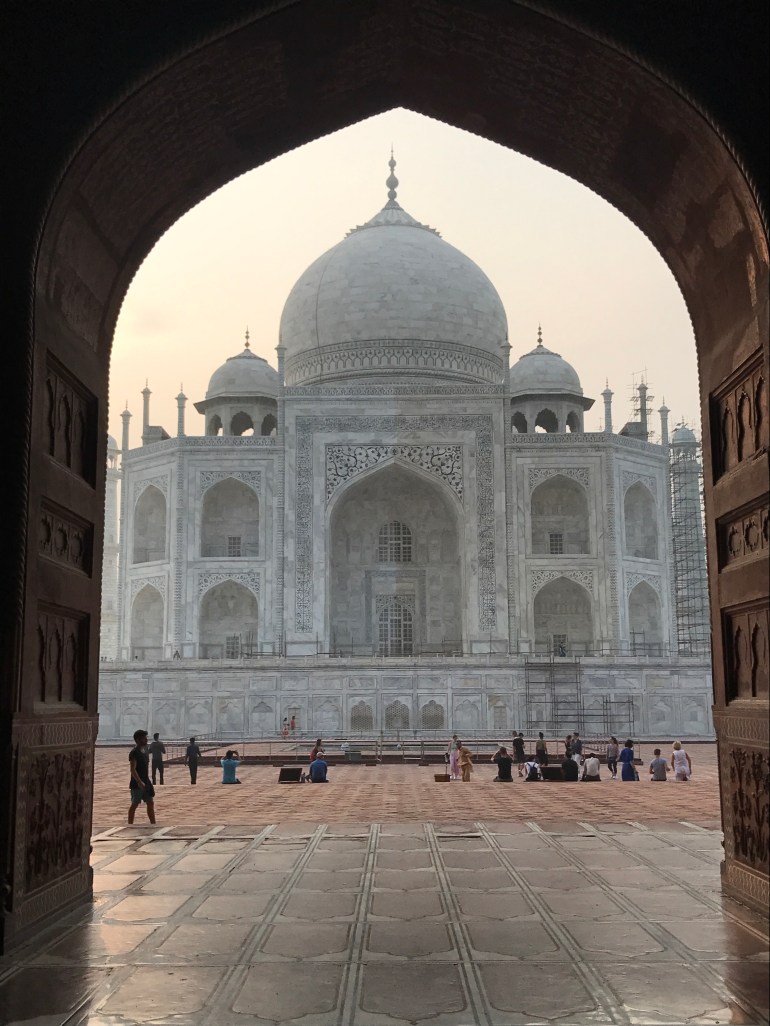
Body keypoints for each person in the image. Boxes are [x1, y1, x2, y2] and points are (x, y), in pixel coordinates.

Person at [128, 729, 156, 824]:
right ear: (137, 740)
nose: (146, 740)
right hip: (137, 784)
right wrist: (139, 782)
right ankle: (130, 824)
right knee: (135, 804)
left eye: (146, 738)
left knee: (150, 802)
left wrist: (146, 782)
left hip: (146, 781)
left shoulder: (145, 751)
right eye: (144, 739)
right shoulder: (134, 753)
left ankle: (153, 823)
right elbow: (133, 769)